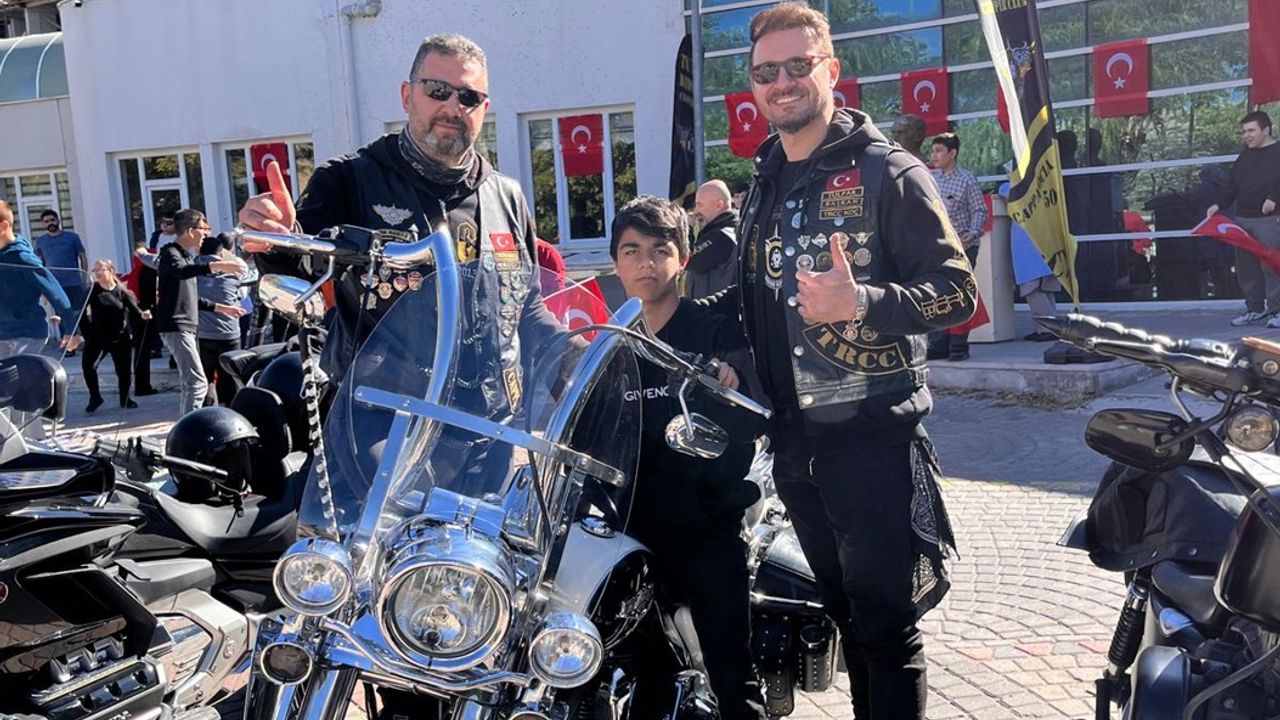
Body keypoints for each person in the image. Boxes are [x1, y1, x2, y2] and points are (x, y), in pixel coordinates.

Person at [716, 5, 976, 717]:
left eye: (799, 66)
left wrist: (862, 300)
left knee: (887, 630)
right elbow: (759, 303)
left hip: (870, 441)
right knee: (847, 618)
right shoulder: (764, 181)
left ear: (831, 70)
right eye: (766, 72)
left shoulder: (889, 169)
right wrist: (737, 361)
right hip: (795, 446)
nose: (782, 82)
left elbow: (958, 293)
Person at [238, 33, 557, 383]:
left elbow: (528, 309)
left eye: (468, 96)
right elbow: (301, 271)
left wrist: (580, 360)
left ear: (484, 109)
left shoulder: (507, 196)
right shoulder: (349, 179)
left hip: (491, 422)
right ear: (407, 96)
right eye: (437, 90)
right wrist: (277, 241)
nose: (452, 108)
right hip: (385, 420)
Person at [609, 195, 765, 720]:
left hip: (706, 529)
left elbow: (751, 420)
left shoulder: (716, 333)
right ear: (615, 263)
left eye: (659, 250)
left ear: (684, 256)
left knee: (733, 680)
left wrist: (729, 383)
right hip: (630, 537)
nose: (645, 264)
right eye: (631, 251)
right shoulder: (608, 346)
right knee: (639, 681)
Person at [150, 210, 246, 416]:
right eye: (203, 229)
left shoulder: (185, 257)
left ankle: (185, 427)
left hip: (186, 326)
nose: (205, 234)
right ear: (190, 231)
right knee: (198, 383)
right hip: (177, 325)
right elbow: (181, 271)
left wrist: (222, 308)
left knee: (192, 383)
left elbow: (192, 298)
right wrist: (218, 265)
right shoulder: (171, 254)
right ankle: (188, 433)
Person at [1206, 110, 1280, 327]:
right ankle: (1255, 309)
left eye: (1251, 130)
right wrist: (1218, 204)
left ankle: (1277, 311)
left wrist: (1274, 198)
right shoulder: (1245, 155)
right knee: (1246, 267)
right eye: (1244, 132)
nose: (1246, 136)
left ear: (1266, 130)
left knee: (1272, 264)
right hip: (1242, 220)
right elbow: (1233, 185)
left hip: (1270, 219)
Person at [927, 132, 988, 361]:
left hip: (963, 246)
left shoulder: (966, 179)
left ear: (952, 153)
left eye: (939, 151)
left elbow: (979, 210)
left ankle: (959, 346)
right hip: (937, 246)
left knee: (960, 292)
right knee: (937, 291)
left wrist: (971, 235)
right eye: (933, 151)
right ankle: (939, 343)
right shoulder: (933, 179)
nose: (935, 156)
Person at [0, 200, 76, 357]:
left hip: (26, 333)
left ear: (3, 227)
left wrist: (72, 329)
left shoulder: (22, 258)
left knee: (16, 379)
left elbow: (55, 292)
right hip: (3, 332)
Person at [80, 259, 149, 412]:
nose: (97, 273)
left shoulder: (122, 291)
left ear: (110, 271)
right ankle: (95, 397)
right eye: (95, 270)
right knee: (88, 366)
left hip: (120, 337)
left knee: (124, 370)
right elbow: (81, 314)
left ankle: (125, 398)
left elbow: (135, 311)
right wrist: (87, 334)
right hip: (97, 338)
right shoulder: (92, 290)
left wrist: (144, 315)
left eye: (101, 269)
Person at [196, 233, 244, 406]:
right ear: (222, 254)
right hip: (229, 333)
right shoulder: (233, 275)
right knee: (231, 378)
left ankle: (208, 414)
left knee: (205, 379)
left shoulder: (191, 274)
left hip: (203, 334)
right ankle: (233, 413)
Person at [33, 210, 89, 338]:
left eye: (52, 220)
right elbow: (39, 264)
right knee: (61, 315)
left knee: (79, 313)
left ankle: (86, 341)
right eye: (46, 221)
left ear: (58, 220)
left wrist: (84, 277)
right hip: (55, 284)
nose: (50, 223)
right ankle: (69, 346)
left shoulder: (72, 237)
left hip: (74, 282)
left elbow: (83, 257)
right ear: (43, 224)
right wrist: (42, 285)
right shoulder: (41, 241)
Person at [686, 180, 740, 299]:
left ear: (718, 205)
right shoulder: (728, 231)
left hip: (713, 313)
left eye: (700, 205)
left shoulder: (722, 237)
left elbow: (688, 260)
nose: (696, 211)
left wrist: (686, 230)